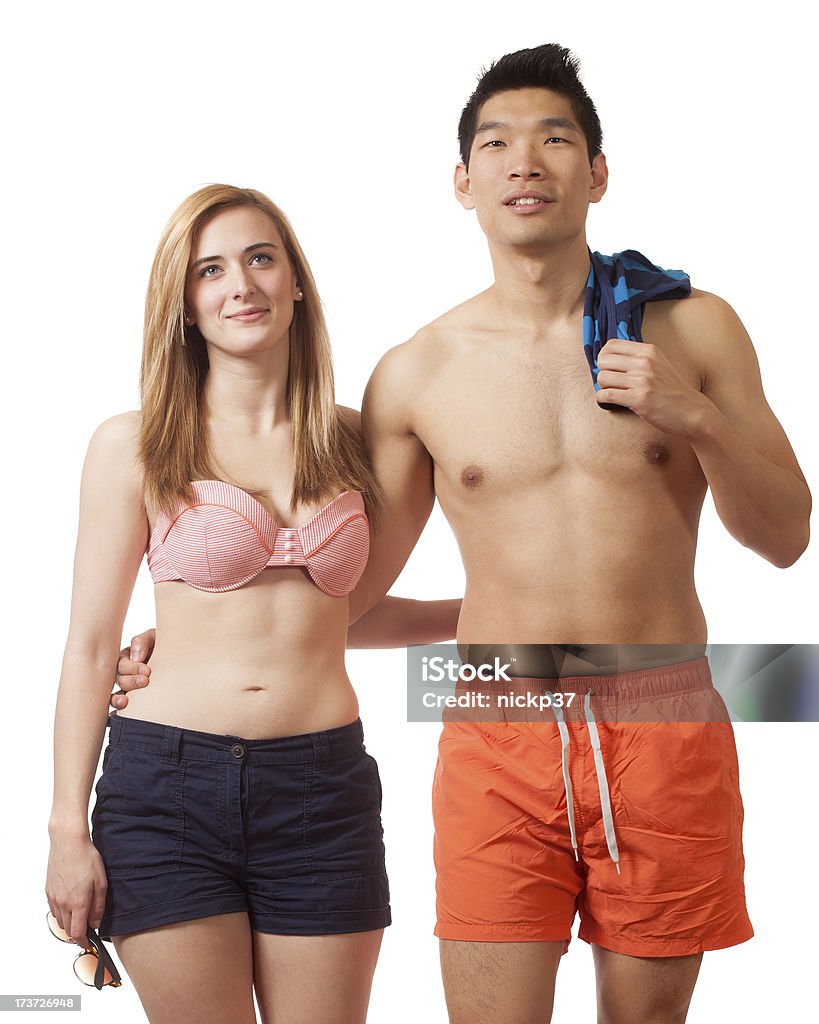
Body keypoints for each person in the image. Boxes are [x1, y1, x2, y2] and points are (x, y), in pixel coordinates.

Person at [115, 46, 811, 1024]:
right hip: (501, 723)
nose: (525, 161)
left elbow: (785, 535)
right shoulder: (419, 373)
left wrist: (695, 417)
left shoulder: (695, 328)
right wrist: (193, 639)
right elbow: (344, 596)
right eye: (498, 143)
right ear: (464, 182)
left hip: (665, 714)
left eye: (555, 139)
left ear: (597, 172)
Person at [46, 184, 458, 1024]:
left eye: (261, 258)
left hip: (322, 788)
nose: (241, 285)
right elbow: (92, 648)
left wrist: (481, 611)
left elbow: (343, 614)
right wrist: (64, 830)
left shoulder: (355, 438)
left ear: (296, 281)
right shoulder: (134, 444)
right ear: (186, 305)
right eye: (211, 270)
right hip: (166, 787)